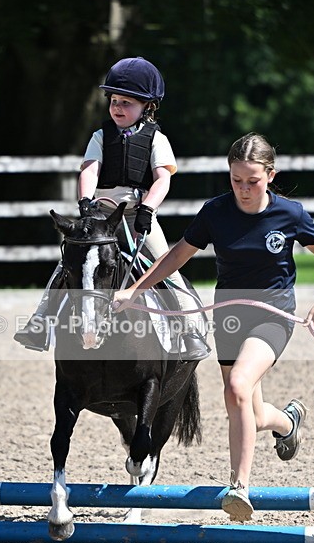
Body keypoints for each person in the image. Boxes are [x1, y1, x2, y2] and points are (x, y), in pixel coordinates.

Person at [113, 132, 314, 522]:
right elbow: (178, 253)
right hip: (230, 319)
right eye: (236, 180)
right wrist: (134, 289)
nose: (244, 189)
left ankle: (239, 487)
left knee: (236, 388)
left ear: (270, 175)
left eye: (253, 181)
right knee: (249, 407)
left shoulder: (290, 213)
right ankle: (288, 421)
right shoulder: (216, 212)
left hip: (274, 316)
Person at [14, 56, 210, 360]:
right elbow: (90, 170)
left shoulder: (157, 139)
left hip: (137, 215)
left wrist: (147, 208)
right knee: (67, 266)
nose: (118, 107)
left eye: (127, 102)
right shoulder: (100, 136)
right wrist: (85, 201)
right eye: (114, 100)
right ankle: (40, 323)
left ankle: (190, 331)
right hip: (102, 215)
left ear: (148, 106)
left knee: (166, 266)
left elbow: (163, 179)